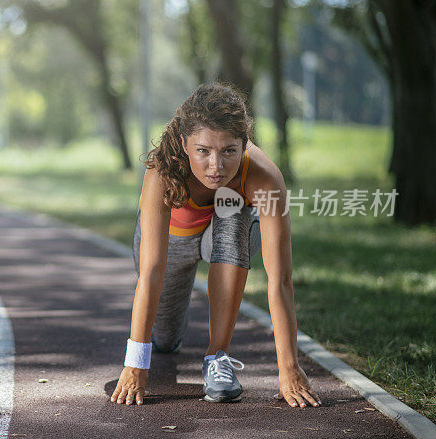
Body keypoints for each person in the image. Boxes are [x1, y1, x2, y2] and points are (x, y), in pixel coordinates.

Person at [111, 83, 320, 408]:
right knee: (164, 342)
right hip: (173, 242)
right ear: (184, 143)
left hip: (225, 234)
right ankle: (163, 340)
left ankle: (217, 357)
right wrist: (135, 363)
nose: (216, 166)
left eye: (228, 151)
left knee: (233, 208)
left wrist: (289, 367)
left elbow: (280, 279)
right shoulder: (162, 171)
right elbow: (151, 272)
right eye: (203, 151)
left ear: (244, 144)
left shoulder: (264, 177)